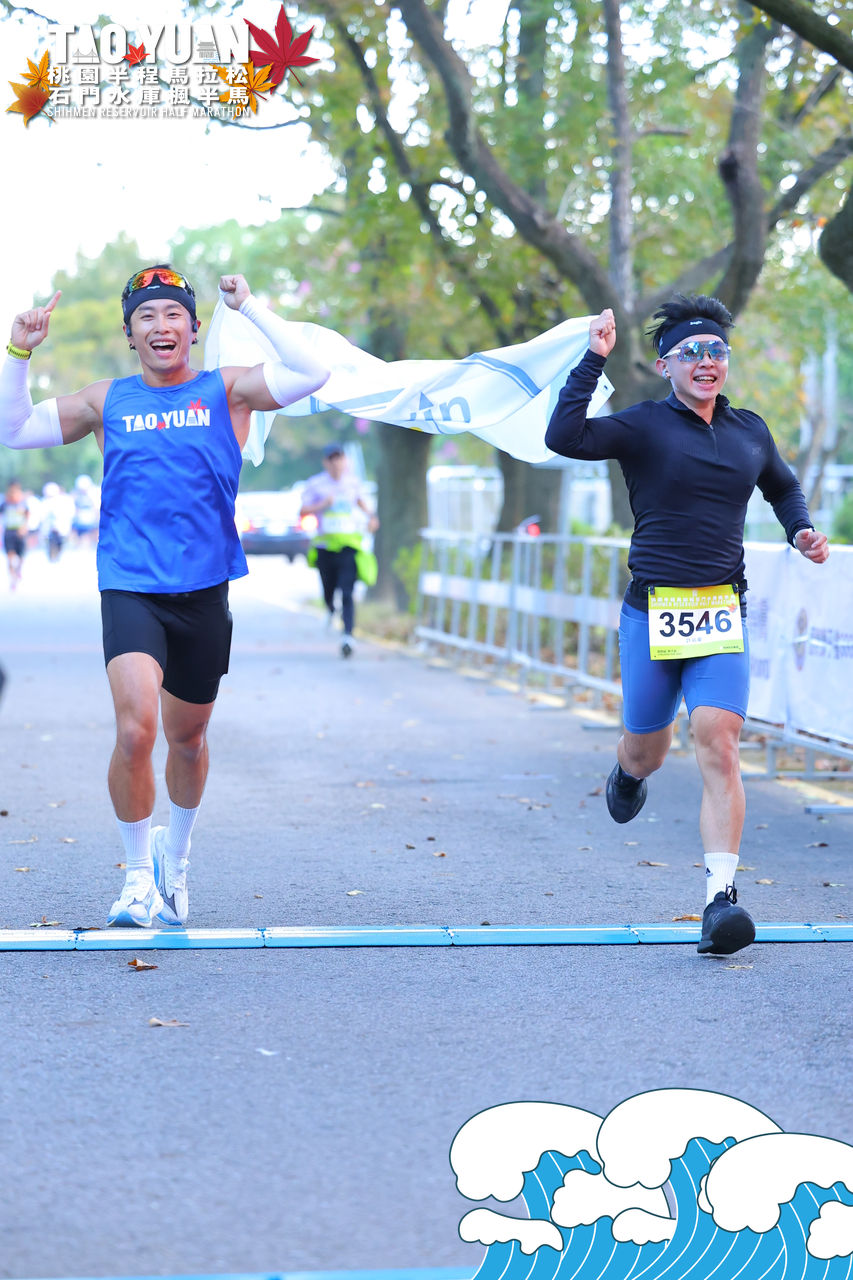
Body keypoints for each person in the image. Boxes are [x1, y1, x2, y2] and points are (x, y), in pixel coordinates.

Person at [0, 265, 329, 927]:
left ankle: (173, 862)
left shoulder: (226, 391)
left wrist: (250, 306)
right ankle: (135, 881)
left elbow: (312, 371)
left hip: (204, 589)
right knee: (134, 731)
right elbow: (14, 429)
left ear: (193, 328)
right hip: (131, 585)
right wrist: (18, 354)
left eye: (172, 313)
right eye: (146, 316)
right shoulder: (106, 401)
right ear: (130, 335)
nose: (160, 325)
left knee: (187, 740)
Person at [545, 293, 829, 957]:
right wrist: (592, 359)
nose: (706, 361)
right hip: (652, 613)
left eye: (716, 350)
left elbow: (782, 486)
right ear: (664, 365)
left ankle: (719, 901)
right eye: (691, 352)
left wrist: (800, 529)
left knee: (718, 739)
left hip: (721, 610)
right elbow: (564, 437)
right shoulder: (642, 426)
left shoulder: (749, 431)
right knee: (648, 750)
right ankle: (626, 771)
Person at [300, 443, 379, 658]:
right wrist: (322, 504)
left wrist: (372, 518)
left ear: (345, 461)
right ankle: (330, 608)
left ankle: (348, 636)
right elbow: (303, 510)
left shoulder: (353, 483)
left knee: (347, 591)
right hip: (325, 546)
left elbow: (362, 503)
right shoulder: (316, 484)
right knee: (328, 589)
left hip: (348, 545)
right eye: (332, 459)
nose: (336, 463)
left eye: (339, 458)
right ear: (326, 462)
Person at [1, 478, 30, 590]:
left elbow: (27, 514)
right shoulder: (5, 502)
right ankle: (12, 579)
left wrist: (24, 527)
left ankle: (18, 571)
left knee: (21, 557)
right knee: (10, 557)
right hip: (9, 532)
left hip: (20, 532)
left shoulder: (22, 501)